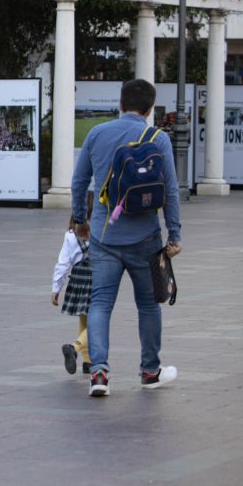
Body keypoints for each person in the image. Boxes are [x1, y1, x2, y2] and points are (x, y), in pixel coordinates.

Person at [71, 79, 181, 398]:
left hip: (105, 235)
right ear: (149, 110)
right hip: (146, 236)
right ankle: (149, 372)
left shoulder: (97, 134)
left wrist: (81, 220)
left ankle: (99, 374)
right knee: (148, 305)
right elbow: (171, 192)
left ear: (120, 104)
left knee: (100, 303)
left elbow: (79, 183)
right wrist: (174, 235)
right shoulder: (158, 139)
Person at [52, 192, 93, 376]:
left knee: (84, 318)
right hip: (95, 278)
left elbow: (62, 263)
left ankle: (88, 361)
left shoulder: (70, 235)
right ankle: (74, 348)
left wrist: (56, 288)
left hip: (77, 278)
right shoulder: (98, 232)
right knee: (97, 320)